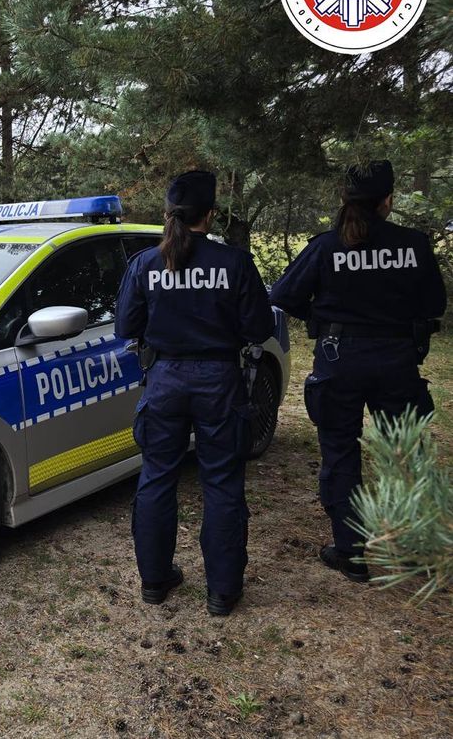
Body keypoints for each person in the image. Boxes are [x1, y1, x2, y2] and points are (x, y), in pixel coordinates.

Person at [269, 160, 446, 583]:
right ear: (388, 201)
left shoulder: (326, 246)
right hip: (398, 359)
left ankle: (351, 552)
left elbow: (282, 295)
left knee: (340, 451)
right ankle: (413, 547)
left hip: (339, 358)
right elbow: (434, 304)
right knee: (404, 454)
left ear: (344, 199)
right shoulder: (414, 245)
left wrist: (323, 316)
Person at [116, 170, 273, 616]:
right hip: (220, 381)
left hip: (164, 379)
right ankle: (222, 591)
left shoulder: (145, 264)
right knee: (222, 482)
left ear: (169, 214)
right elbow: (259, 327)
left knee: (157, 476)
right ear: (211, 214)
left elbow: (126, 327)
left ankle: (154, 580)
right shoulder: (234, 263)